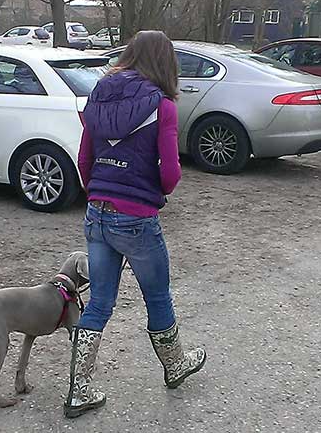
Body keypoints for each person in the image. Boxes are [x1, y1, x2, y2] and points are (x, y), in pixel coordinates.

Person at [64, 30, 206, 419]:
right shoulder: (162, 105)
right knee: (157, 297)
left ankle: (78, 391)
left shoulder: (96, 98)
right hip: (137, 218)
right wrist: (151, 190)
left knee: (99, 302)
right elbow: (172, 173)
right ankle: (175, 366)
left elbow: (84, 159)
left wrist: (98, 191)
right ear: (165, 62)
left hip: (97, 210)